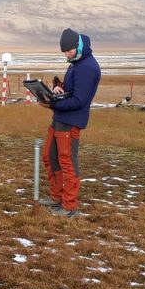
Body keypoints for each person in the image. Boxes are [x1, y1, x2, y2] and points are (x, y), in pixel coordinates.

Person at [40, 28, 101, 218]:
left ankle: (69, 206)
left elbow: (79, 101)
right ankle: (57, 198)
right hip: (59, 118)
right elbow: (71, 91)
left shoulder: (88, 67)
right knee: (49, 157)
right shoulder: (75, 63)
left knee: (67, 163)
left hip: (71, 122)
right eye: (64, 52)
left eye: (69, 51)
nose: (66, 55)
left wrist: (51, 103)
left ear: (78, 46)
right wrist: (59, 88)